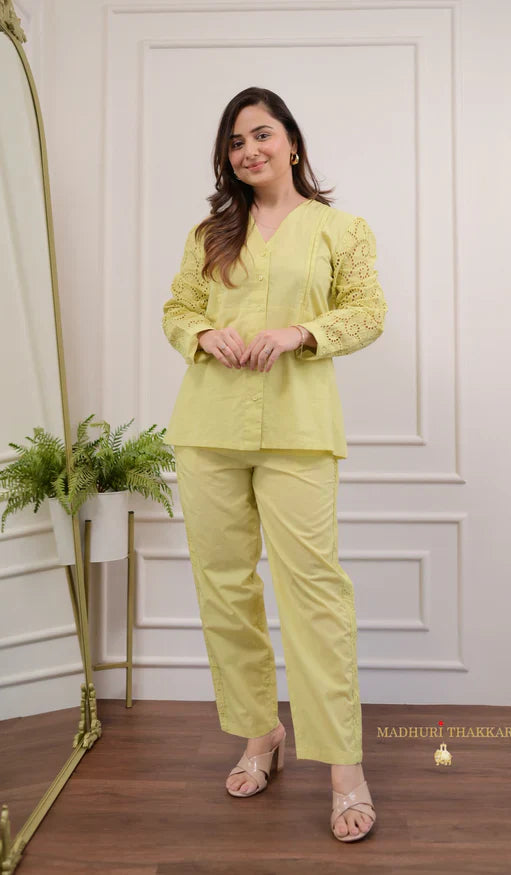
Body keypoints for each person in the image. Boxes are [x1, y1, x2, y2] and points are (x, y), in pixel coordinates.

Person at [161, 86, 388, 842]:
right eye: (235, 141)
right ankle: (261, 733)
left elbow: (368, 311)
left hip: (298, 429)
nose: (249, 150)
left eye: (261, 134)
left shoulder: (341, 229)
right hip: (209, 428)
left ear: (291, 141)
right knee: (225, 588)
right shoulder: (210, 233)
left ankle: (345, 767)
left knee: (314, 592)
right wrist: (202, 335)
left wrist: (302, 333)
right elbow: (177, 308)